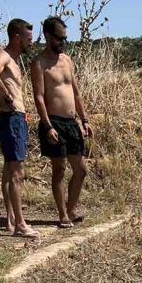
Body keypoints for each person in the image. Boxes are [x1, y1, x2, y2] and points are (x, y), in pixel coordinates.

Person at [30, 16, 93, 228]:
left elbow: (75, 92)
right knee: (59, 170)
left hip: (71, 122)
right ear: (48, 36)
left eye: (65, 38)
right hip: (54, 122)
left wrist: (84, 119)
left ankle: (72, 208)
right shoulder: (39, 63)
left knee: (81, 169)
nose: (63, 42)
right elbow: (38, 97)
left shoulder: (67, 60)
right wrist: (47, 126)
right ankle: (62, 214)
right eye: (59, 38)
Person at [0, 19, 38, 238]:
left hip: (14, 118)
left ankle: (12, 219)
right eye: (28, 39)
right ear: (17, 37)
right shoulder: (4, 56)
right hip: (12, 118)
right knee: (17, 172)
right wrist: (6, 96)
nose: (30, 43)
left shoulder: (14, 60)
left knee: (9, 170)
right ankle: (21, 226)